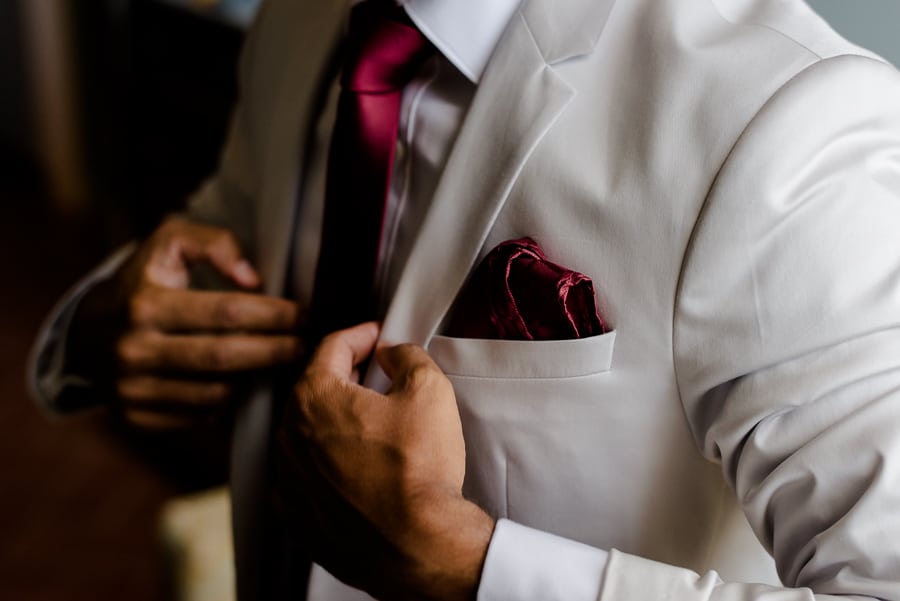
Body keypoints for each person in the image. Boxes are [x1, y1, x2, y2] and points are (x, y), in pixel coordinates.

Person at [30, 0, 900, 599]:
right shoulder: (300, 21)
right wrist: (106, 322)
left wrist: (467, 570)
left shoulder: (787, 123)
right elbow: (224, 226)